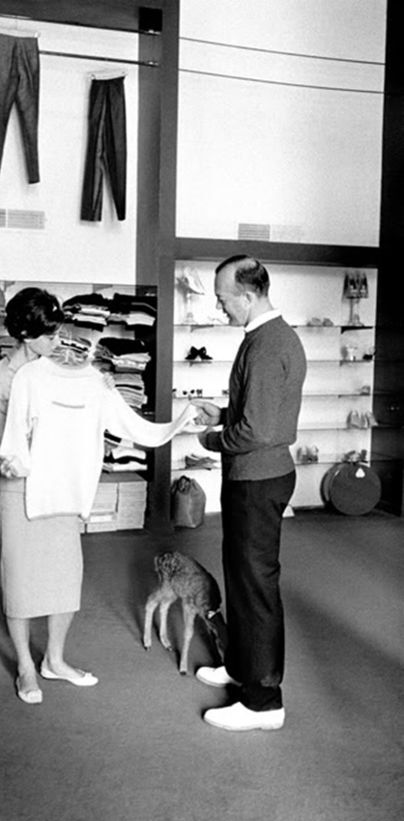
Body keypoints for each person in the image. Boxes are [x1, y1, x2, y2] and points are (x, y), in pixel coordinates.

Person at [0, 287, 195, 705]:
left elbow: (101, 418)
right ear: (23, 333)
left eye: (58, 332)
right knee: (20, 581)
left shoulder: (70, 371)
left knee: (65, 577)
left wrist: (104, 388)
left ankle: (54, 660)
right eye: (46, 334)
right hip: (18, 490)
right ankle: (26, 666)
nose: (55, 341)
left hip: (62, 488)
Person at [193, 255, 306, 731]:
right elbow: (264, 414)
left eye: (223, 300)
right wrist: (222, 414)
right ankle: (242, 668)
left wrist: (212, 439)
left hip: (257, 479)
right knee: (242, 580)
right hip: (256, 476)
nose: (221, 309)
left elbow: (258, 431)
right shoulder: (270, 337)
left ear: (248, 294)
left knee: (255, 588)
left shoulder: (264, 346)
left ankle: (263, 702)